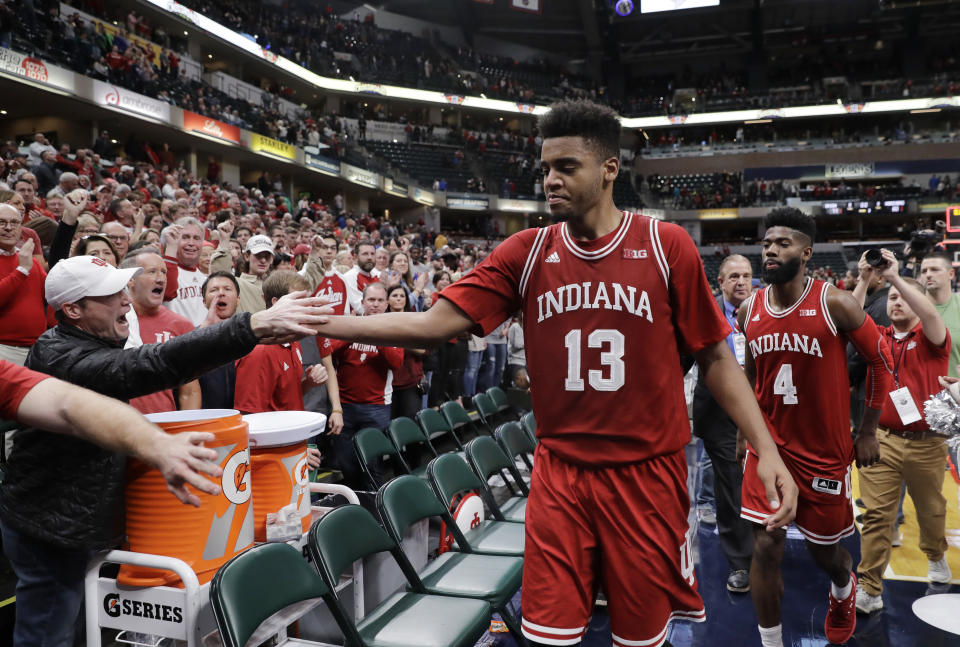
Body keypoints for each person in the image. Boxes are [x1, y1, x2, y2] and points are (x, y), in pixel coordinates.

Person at [314, 100, 797, 647]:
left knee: (641, 639)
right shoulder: (527, 251)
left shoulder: (667, 248)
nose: (551, 180)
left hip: (646, 476)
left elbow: (715, 357)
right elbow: (434, 323)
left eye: (567, 167)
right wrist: (322, 319)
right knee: (548, 639)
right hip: (560, 475)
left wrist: (767, 450)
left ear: (609, 169)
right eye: (546, 168)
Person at [0, 255, 329, 646]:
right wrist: (251, 325)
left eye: (123, 289)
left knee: (80, 623)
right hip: (49, 527)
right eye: (110, 294)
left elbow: (159, 358)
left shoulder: (90, 340)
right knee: (49, 632)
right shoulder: (62, 354)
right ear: (73, 309)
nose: (125, 300)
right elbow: (149, 364)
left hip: (74, 520)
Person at [738, 208, 893, 647]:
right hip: (768, 448)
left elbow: (881, 362)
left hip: (822, 451)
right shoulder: (749, 308)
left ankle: (843, 590)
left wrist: (866, 430)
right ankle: (771, 642)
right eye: (767, 243)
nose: (770, 250)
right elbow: (750, 376)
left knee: (826, 554)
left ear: (806, 252)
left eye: (782, 243)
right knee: (766, 546)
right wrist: (745, 434)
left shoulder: (835, 303)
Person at [852, 249, 952, 613]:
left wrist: (894, 277)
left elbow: (928, 313)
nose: (895, 301)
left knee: (930, 512)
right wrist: (864, 279)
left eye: (901, 296)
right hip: (882, 439)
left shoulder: (933, 338)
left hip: (928, 443)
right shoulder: (877, 337)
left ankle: (934, 553)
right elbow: (848, 318)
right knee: (877, 514)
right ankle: (869, 587)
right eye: (891, 297)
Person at [691, 254, 756, 593]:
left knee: (763, 482)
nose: (741, 282)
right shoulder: (707, 312)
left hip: (763, 410)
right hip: (720, 414)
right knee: (729, 488)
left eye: (746, 275)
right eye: (733, 276)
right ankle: (740, 562)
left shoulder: (765, 309)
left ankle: (765, 549)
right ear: (720, 282)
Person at [322, 282, 403, 490]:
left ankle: (376, 515)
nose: (375, 305)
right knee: (347, 466)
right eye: (371, 300)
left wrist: (376, 334)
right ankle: (356, 511)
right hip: (345, 407)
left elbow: (397, 363)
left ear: (386, 304)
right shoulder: (351, 326)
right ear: (363, 302)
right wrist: (357, 331)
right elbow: (328, 351)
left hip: (375, 408)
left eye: (379, 301)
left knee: (372, 467)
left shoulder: (394, 329)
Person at [234, 271, 331, 414]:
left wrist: (309, 383)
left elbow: (287, 395)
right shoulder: (260, 352)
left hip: (294, 433)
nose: (308, 307)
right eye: (301, 301)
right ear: (277, 303)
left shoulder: (292, 340)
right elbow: (248, 416)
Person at [121, 249, 200, 414]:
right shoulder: (111, 321)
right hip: (118, 425)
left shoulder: (181, 325)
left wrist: (188, 428)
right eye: (152, 272)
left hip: (165, 425)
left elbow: (190, 391)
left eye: (163, 272)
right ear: (130, 280)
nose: (161, 278)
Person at [0, 204, 47, 365]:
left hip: (38, 348)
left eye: (14, 222)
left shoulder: (30, 260)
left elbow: (51, 299)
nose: (8, 228)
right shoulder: (26, 263)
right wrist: (21, 270)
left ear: (21, 228)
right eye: (1, 222)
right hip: (4, 349)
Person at [210, 222, 272, 314]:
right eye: (258, 255)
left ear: (272, 259)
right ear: (247, 256)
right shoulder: (237, 284)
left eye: (267, 256)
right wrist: (224, 240)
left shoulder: (276, 285)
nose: (263, 260)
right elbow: (219, 274)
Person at [386, 284, 426, 420]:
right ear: (387, 300)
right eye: (394, 295)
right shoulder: (380, 320)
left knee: (411, 425)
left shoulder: (415, 320)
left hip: (410, 383)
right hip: (386, 384)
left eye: (402, 296)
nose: (398, 299)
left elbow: (422, 349)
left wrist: (396, 340)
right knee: (389, 428)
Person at [162, 216, 208, 325]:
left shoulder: (206, 279)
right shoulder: (163, 270)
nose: (191, 243)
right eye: (185, 237)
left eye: (196, 238)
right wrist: (171, 247)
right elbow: (167, 293)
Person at [342, 241, 377, 314]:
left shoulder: (376, 276)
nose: (370, 257)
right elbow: (359, 308)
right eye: (365, 254)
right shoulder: (350, 277)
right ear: (355, 257)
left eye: (372, 254)